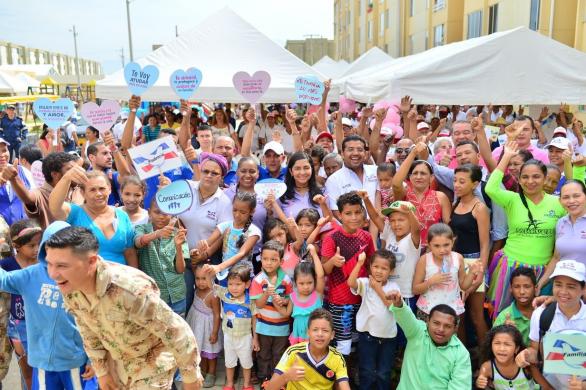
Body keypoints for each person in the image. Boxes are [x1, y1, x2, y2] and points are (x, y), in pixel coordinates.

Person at [44, 226, 203, 389]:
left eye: (62, 266)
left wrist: (190, 378)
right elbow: (87, 329)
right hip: (117, 363)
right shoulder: (70, 287)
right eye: (49, 264)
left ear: (91, 262)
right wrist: (102, 371)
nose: (53, 274)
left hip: (152, 363)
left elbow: (176, 330)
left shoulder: (130, 289)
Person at [0, 221, 98, 390]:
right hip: (42, 363)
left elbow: (96, 322)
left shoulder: (83, 277)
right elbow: (3, 280)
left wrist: (93, 359)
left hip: (75, 362)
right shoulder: (30, 276)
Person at [485, 141, 566, 317]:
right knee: (503, 316)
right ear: (519, 180)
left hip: (542, 271)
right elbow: (490, 188)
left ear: (545, 178)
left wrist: (568, 164)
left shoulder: (558, 203)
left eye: (536, 177)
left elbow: (578, 196)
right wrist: (506, 156)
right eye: (525, 177)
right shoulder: (512, 199)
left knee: (537, 318)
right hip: (510, 267)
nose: (530, 182)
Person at [321, 191, 375, 383]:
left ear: (362, 213)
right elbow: (324, 270)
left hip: (362, 300)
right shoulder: (331, 238)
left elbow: (371, 266)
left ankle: (351, 377)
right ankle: (340, 381)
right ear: (340, 215)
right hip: (339, 302)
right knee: (341, 345)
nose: (353, 217)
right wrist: (333, 261)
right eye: (348, 213)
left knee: (356, 341)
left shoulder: (366, 237)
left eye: (357, 212)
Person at [516, 260, 586, 389]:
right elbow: (534, 351)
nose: (563, 292)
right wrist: (525, 354)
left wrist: (583, 385)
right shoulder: (542, 314)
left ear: (583, 289)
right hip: (551, 385)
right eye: (558, 284)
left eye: (571, 286)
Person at [49, 168, 137, 267]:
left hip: (121, 279)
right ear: (83, 193)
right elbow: (54, 207)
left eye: (102, 189)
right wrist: (66, 178)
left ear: (109, 189)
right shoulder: (75, 213)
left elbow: (130, 253)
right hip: (88, 279)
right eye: (92, 190)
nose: (98, 194)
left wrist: (137, 279)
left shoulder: (122, 215)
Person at [178, 152, 232, 310]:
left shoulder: (224, 202)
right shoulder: (185, 188)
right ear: (200, 171)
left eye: (214, 173)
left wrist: (204, 255)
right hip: (180, 257)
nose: (209, 175)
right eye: (206, 171)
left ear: (221, 177)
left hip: (208, 261)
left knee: (207, 307)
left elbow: (222, 234)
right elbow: (173, 217)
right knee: (184, 300)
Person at [386, 291, 472, 389]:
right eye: (436, 323)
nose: (441, 329)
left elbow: (460, 387)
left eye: (447, 326)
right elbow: (406, 316)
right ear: (427, 321)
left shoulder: (461, 354)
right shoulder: (417, 332)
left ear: (455, 328)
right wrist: (399, 304)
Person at [450, 164, 490, 344]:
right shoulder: (455, 204)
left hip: (473, 261)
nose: (456, 185)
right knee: (458, 315)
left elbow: (484, 243)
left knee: (476, 315)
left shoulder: (479, 208)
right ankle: (464, 358)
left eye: (462, 181)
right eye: (455, 180)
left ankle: (485, 359)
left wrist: (480, 270)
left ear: (474, 184)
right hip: (455, 261)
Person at [348, 250, 399, 390]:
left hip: (388, 338)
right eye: (376, 267)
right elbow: (351, 283)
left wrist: (377, 287)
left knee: (384, 373)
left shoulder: (394, 287)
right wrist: (359, 263)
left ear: (391, 271)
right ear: (370, 267)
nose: (379, 271)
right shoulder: (365, 283)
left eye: (384, 268)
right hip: (367, 336)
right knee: (367, 371)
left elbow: (391, 306)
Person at [0, 220, 42, 390]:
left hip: (40, 324)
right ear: (17, 245)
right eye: (31, 245)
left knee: (38, 369)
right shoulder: (7, 265)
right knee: (25, 368)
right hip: (16, 324)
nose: (37, 249)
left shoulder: (44, 264)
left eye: (39, 244)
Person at [202, 263, 257, 390]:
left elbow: (255, 319)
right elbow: (212, 286)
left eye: (238, 284)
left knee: (247, 363)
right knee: (229, 361)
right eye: (231, 284)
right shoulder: (225, 294)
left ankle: (247, 384)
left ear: (247, 284)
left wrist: (255, 338)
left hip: (245, 337)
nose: (234, 288)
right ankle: (229, 383)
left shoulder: (250, 300)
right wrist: (207, 274)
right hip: (228, 336)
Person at [267, 309, 350, 390]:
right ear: (308, 332)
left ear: (332, 335)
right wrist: (287, 376)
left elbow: (344, 385)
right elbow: (270, 388)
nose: (320, 334)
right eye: (315, 330)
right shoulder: (293, 352)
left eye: (325, 330)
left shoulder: (338, 358)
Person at [412, 223, 482, 320]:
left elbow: (464, 286)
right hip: (428, 310)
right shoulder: (425, 260)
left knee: (449, 335)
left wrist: (471, 273)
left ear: (452, 242)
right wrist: (431, 281)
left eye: (446, 245)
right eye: (437, 246)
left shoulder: (458, 258)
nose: (442, 250)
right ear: (429, 244)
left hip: (451, 310)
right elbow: (415, 289)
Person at [250, 240, 294, 387]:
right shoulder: (258, 280)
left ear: (281, 261)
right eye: (265, 259)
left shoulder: (286, 280)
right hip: (263, 328)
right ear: (260, 259)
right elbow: (259, 304)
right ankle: (264, 380)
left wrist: (283, 300)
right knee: (263, 355)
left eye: (273, 259)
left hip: (281, 328)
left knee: (279, 354)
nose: (268, 263)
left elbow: (290, 298)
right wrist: (266, 294)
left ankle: (278, 381)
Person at [134, 200, 188, 315]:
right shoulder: (142, 229)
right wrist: (157, 234)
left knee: (177, 331)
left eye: (165, 213)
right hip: (154, 296)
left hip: (177, 295)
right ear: (149, 213)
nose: (161, 217)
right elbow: (138, 242)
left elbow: (181, 270)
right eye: (156, 212)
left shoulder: (179, 234)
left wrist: (178, 246)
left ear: (172, 215)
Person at [392, 144, 451, 248]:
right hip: (406, 249)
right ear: (409, 177)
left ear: (431, 178)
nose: (418, 177)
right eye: (415, 173)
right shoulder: (404, 194)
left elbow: (449, 227)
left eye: (423, 173)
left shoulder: (441, 197)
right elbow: (396, 184)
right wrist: (413, 153)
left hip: (432, 250)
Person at [198, 191, 261, 283]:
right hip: (225, 275)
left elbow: (241, 254)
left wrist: (219, 267)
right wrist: (201, 246)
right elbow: (208, 242)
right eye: (234, 210)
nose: (237, 215)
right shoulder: (224, 226)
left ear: (252, 211)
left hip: (243, 278)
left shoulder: (254, 232)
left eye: (243, 212)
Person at [7, 152, 79, 229]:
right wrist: (14, 180)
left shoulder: (79, 191)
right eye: (70, 170)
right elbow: (27, 197)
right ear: (55, 174)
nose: (77, 172)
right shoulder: (40, 195)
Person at [538, 180, 586, 293]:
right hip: (563, 288)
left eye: (576, 196)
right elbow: (556, 258)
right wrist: (541, 282)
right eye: (566, 197)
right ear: (560, 201)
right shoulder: (561, 223)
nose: (571, 201)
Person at [185, 263, 222, 389]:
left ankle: (211, 373)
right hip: (198, 326)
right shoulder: (196, 290)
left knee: (210, 351)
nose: (200, 282)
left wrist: (215, 332)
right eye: (197, 278)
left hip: (208, 327)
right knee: (203, 351)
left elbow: (217, 315)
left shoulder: (213, 295)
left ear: (211, 278)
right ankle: (204, 370)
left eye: (204, 279)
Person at [325, 135, 378, 219]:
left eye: (360, 150)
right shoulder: (333, 180)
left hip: (380, 227)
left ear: (365, 153)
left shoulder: (376, 171)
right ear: (342, 153)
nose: (355, 153)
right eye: (350, 149)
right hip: (352, 230)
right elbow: (336, 212)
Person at [476, 325, 536, 389]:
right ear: (491, 346)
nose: (501, 349)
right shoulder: (487, 368)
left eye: (507, 344)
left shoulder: (525, 364)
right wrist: (479, 383)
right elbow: (481, 387)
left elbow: (545, 386)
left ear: (516, 349)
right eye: (497, 343)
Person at [493, 267, 537, 346]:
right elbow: (493, 347)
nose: (522, 292)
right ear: (511, 289)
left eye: (527, 286)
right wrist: (505, 332)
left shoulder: (544, 312)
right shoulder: (504, 317)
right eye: (517, 287)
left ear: (535, 288)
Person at [279, 152, 327, 218]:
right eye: (297, 168)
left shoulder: (323, 191)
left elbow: (329, 219)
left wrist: (323, 203)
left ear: (312, 169)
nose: (302, 172)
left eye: (306, 168)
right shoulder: (283, 195)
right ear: (291, 171)